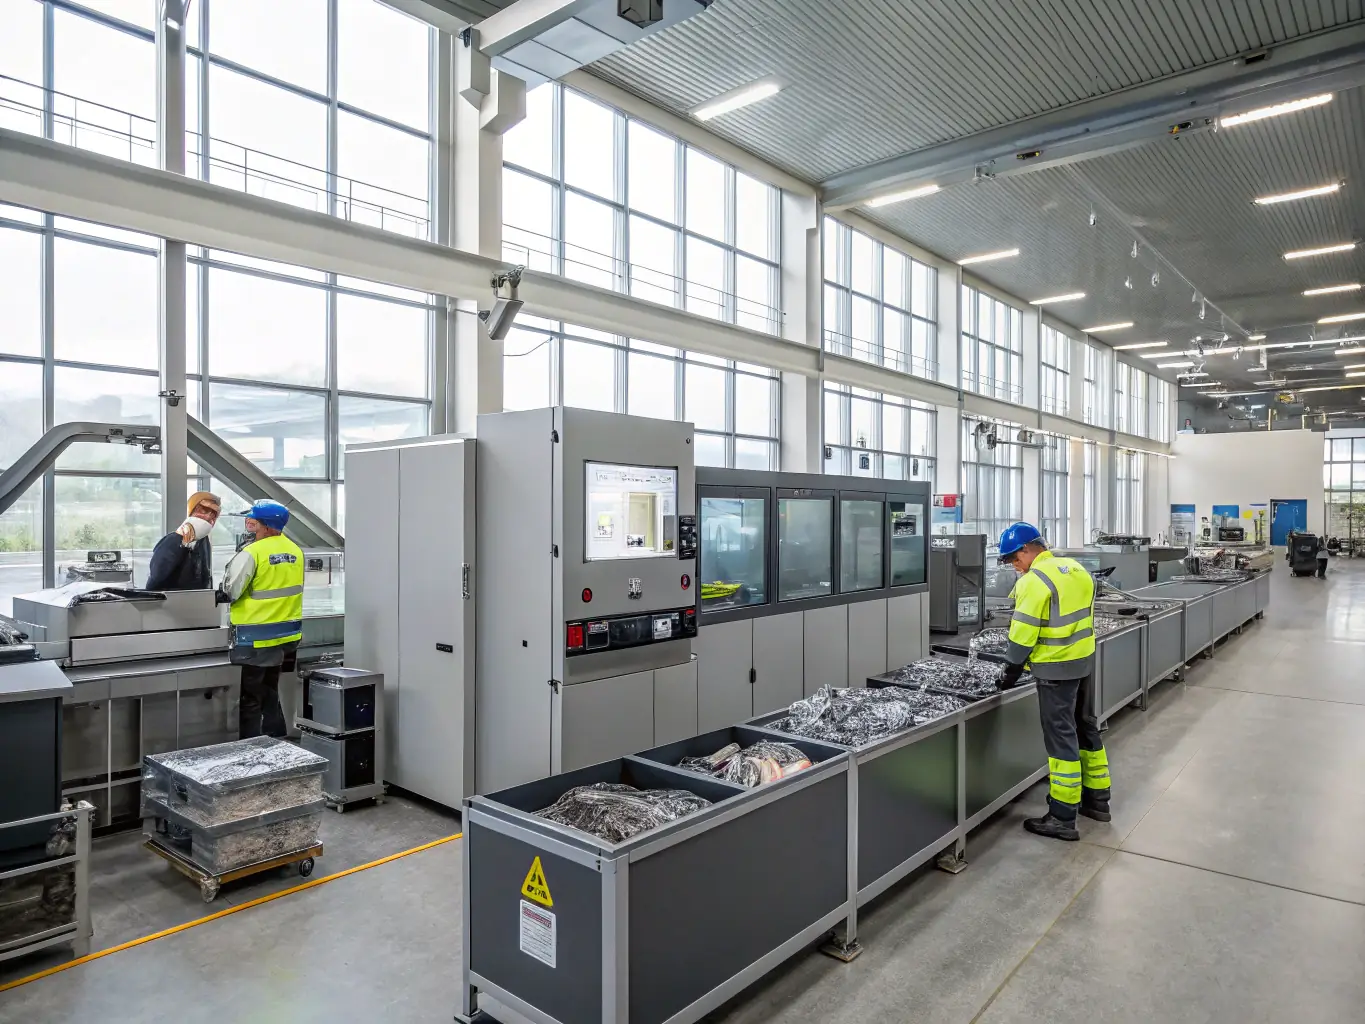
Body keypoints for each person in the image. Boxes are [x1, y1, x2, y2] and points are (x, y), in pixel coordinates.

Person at [996, 523, 1110, 842]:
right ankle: (1097, 801)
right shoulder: (1076, 569)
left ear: (1026, 550)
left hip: (1055, 669)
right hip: (1084, 660)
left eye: (1013, 559)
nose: (1013, 567)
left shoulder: (1035, 581)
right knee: (1086, 726)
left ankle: (1062, 816)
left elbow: (1023, 632)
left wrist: (1011, 671)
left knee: (1060, 739)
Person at [219, 500, 303, 739]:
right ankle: (277, 743)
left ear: (266, 526)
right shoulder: (295, 550)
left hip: (255, 637)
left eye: (253, 521)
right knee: (269, 692)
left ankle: (250, 754)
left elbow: (231, 590)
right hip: (286, 636)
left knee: (251, 698)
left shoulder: (253, 552)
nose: (250, 525)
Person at [145, 491, 221, 590]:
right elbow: (157, 577)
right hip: (171, 601)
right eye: (204, 510)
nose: (209, 517)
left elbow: (205, 576)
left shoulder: (204, 542)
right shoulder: (171, 541)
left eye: (214, 514)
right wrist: (181, 542)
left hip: (196, 601)